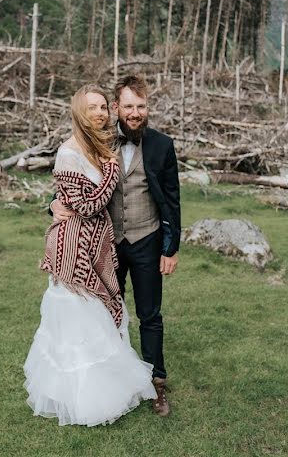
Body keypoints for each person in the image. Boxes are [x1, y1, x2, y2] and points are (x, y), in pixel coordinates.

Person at [23, 84, 157, 427]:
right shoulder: (70, 151)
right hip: (75, 247)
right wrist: (53, 203)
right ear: (78, 112)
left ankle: (112, 387)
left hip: (105, 243)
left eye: (102, 107)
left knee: (100, 314)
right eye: (92, 108)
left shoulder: (101, 144)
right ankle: (81, 399)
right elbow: (84, 202)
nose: (99, 113)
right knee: (79, 319)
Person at [52, 74, 180, 417]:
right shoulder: (97, 141)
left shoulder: (162, 145)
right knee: (108, 313)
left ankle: (157, 384)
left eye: (141, 106)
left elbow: (172, 200)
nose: (135, 112)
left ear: (147, 107)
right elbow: (71, 182)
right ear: (116, 107)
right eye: (128, 106)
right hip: (104, 244)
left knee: (149, 315)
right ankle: (116, 383)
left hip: (148, 240)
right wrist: (51, 205)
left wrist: (171, 248)